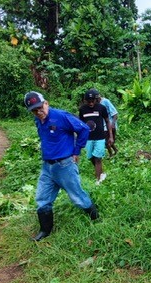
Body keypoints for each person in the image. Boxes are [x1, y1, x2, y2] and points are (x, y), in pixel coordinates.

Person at [24, 91, 99, 242]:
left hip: (65, 166)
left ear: (46, 103)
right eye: (34, 110)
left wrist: (77, 151)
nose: (38, 112)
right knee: (42, 198)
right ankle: (45, 230)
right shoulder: (38, 120)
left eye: (40, 108)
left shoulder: (61, 116)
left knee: (77, 197)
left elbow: (83, 129)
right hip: (47, 167)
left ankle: (96, 218)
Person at [79, 88, 113, 185]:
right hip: (88, 138)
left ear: (96, 100)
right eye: (88, 101)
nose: (91, 103)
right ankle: (101, 173)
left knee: (98, 158)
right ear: (85, 101)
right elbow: (81, 123)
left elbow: (107, 120)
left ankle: (98, 180)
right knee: (91, 157)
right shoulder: (82, 109)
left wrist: (110, 136)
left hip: (100, 137)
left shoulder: (101, 108)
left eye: (92, 101)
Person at [98, 92, 119, 157]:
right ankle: (114, 151)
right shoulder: (96, 104)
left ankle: (111, 154)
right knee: (106, 141)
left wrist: (113, 124)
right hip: (103, 125)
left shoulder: (106, 101)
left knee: (107, 142)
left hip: (110, 124)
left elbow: (115, 114)